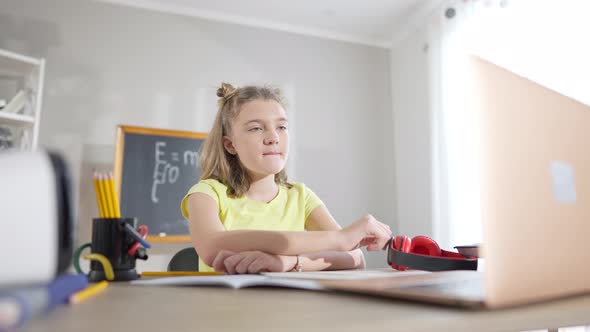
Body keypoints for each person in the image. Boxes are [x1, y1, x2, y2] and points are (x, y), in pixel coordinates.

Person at [180, 83, 391, 274]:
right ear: (230, 145)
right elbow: (212, 247)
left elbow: (354, 258)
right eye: (256, 128)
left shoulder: (301, 196)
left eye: (281, 127)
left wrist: (287, 262)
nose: (273, 138)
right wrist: (341, 238)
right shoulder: (206, 194)